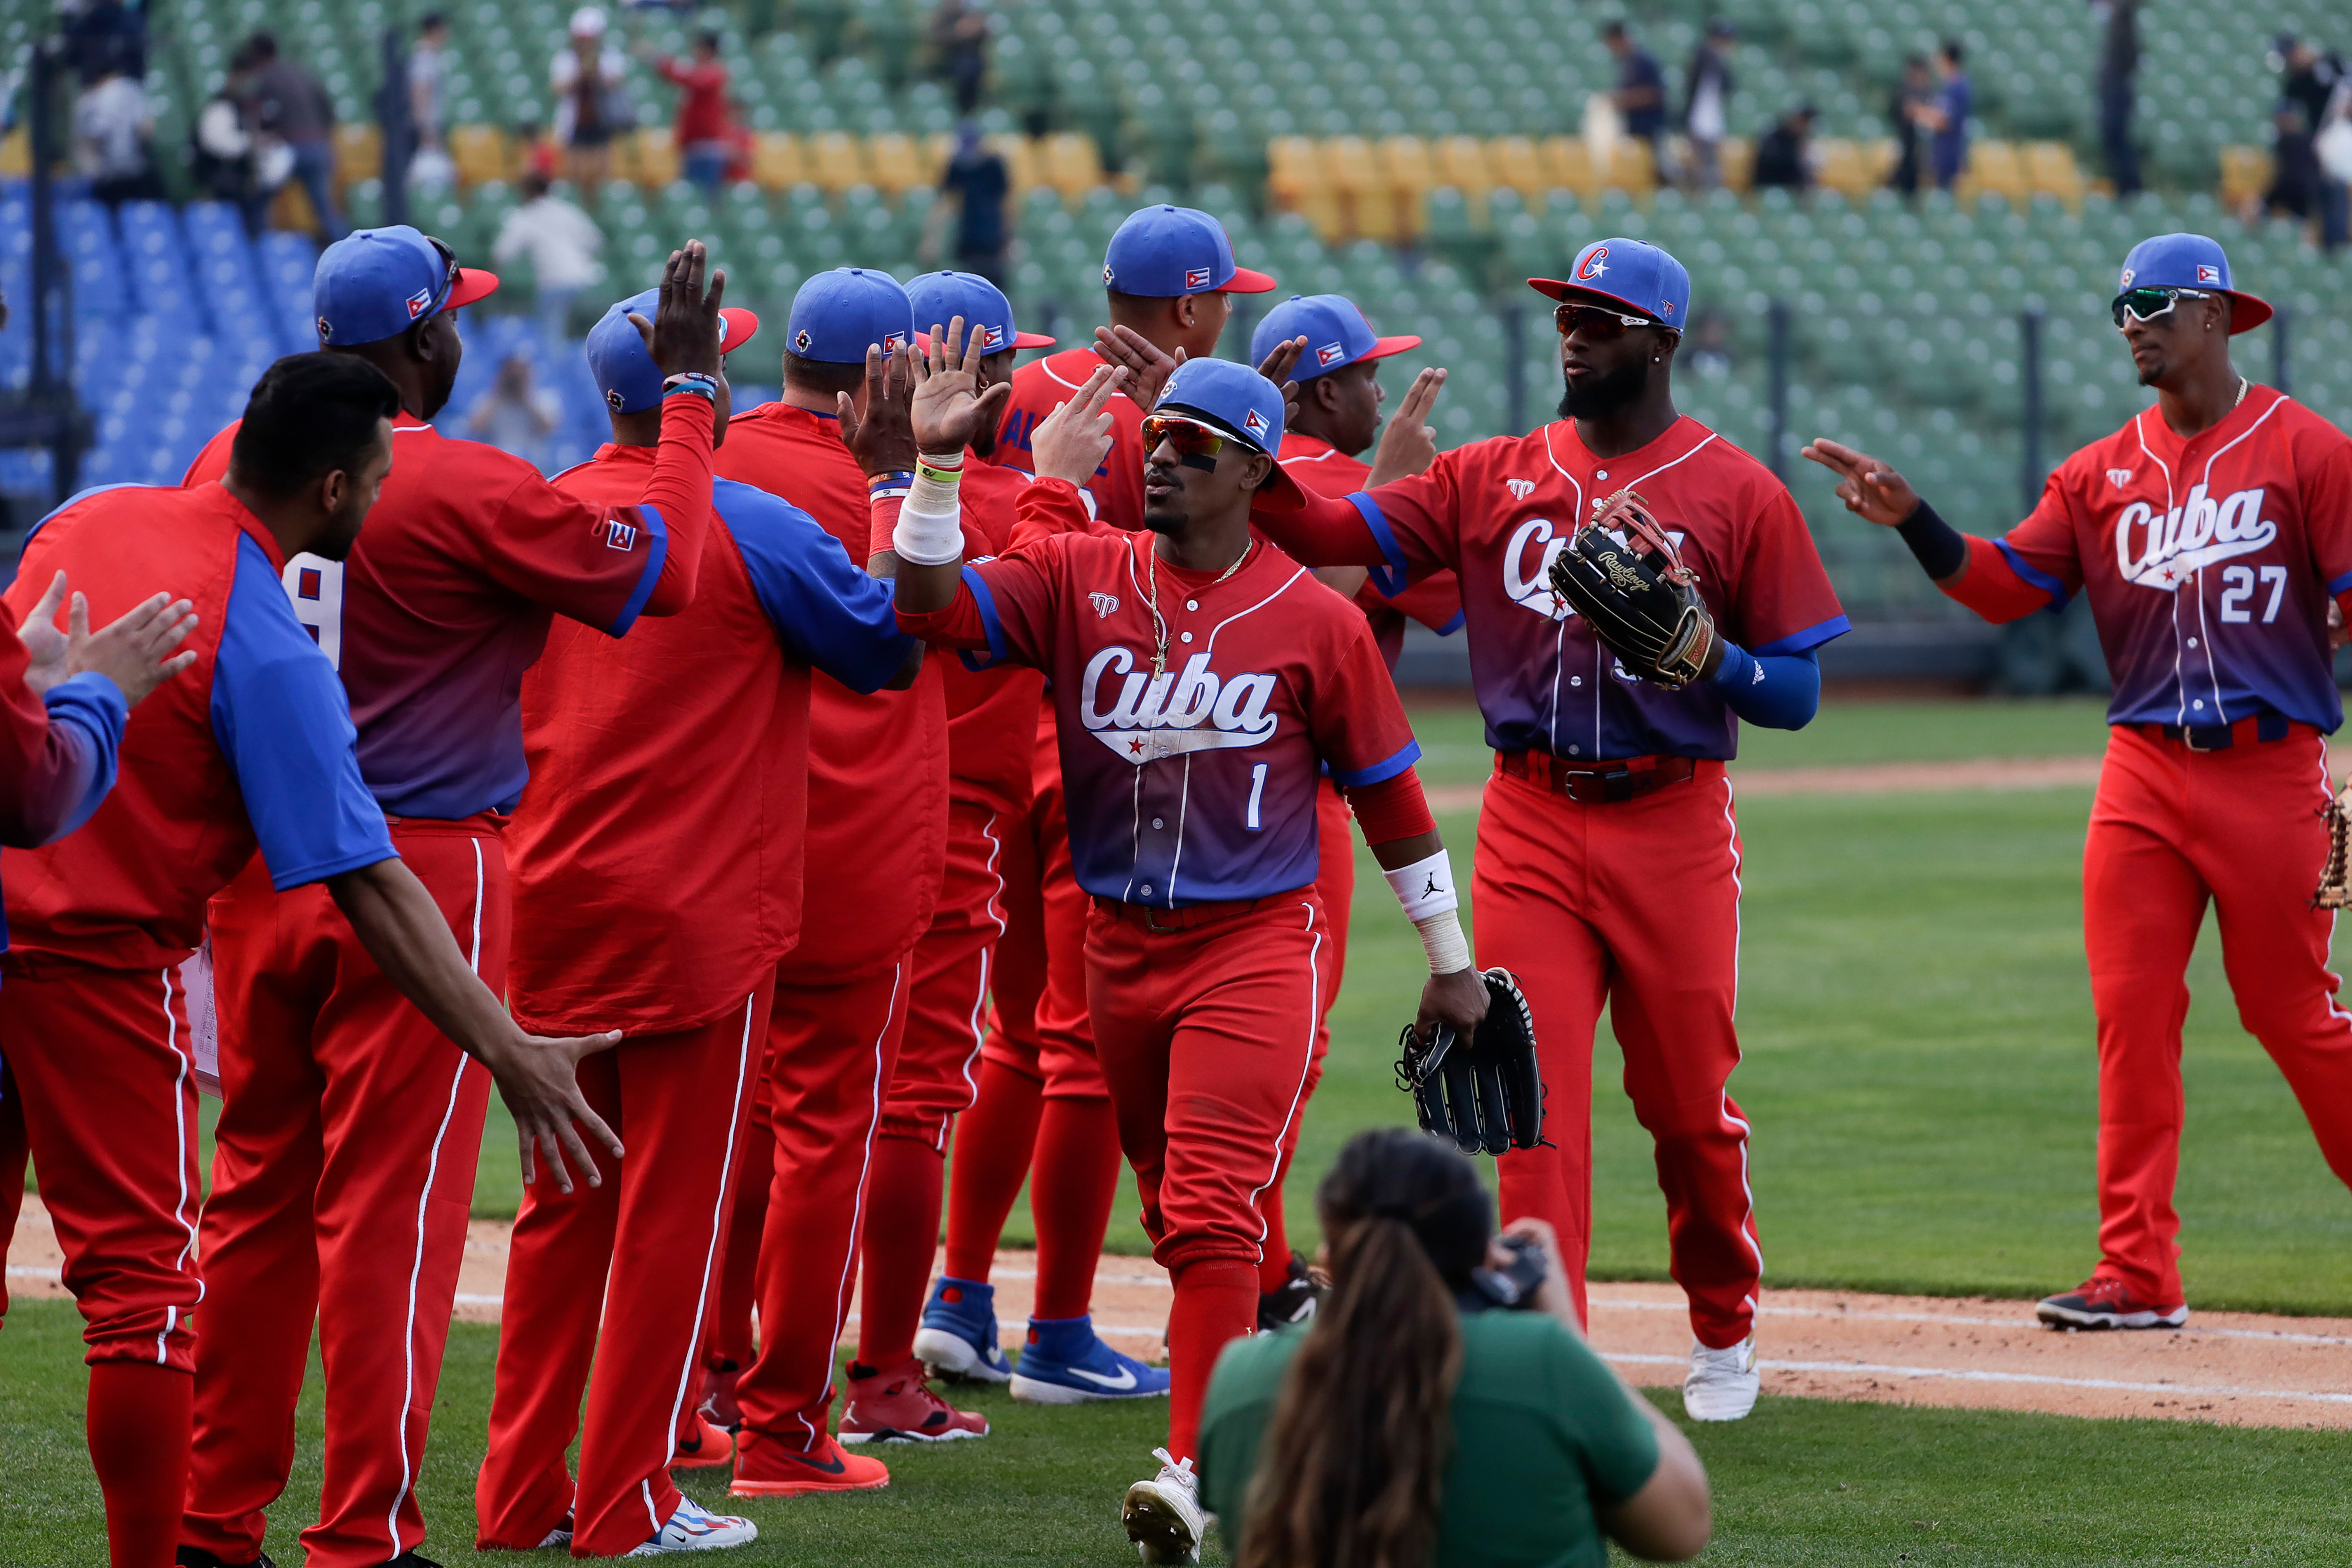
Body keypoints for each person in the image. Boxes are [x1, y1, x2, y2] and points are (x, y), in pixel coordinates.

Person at [1204, 238, 1851, 1424]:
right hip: (1528, 818)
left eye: (1600, 320)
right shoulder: (1488, 474)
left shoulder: (1735, 488)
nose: (1574, 334)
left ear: (1657, 340)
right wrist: (1229, 432)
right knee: (1525, 1105)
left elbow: (1799, 692)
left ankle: (1723, 1324)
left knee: (1687, 1106)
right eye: (1566, 314)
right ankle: (1554, 1363)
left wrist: (1714, 657)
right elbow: (1326, 534)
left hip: (1674, 818)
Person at [4, 352, 625, 1568]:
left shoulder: (92, 514)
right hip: (90, 965)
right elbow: (370, 880)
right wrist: (511, 1049)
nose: (390, 495)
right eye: (383, 476)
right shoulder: (265, 639)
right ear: (334, 488)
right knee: (140, 1296)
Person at [173, 236, 726, 1568]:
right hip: (419, 867)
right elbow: (673, 570)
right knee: (392, 1211)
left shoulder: (219, 464)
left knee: (253, 1196)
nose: (462, 341)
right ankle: (362, 1531)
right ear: (421, 346)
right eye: (455, 322)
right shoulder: (469, 480)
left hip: (256, 870)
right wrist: (695, 396)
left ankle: (211, 1516)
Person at [893, 348, 1490, 1564]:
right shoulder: (1075, 571)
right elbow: (928, 605)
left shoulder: (1318, 621)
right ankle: (1294, 1356)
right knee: (1180, 1208)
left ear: (1255, 470)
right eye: (1157, 437)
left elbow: (1391, 798)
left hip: (1254, 941)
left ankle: (1198, 1469)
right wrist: (939, 463)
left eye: (1194, 444)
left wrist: (1450, 955)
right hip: (1116, 947)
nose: (1161, 456)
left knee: (1211, 1204)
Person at [1803, 233, 2352, 1334]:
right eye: (2119, 308)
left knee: (2292, 1015)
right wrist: (1915, 520)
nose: (2131, 323)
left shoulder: (2308, 451)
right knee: (2130, 1017)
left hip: (2270, 771)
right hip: (2142, 772)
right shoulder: (2097, 473)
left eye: (2151, 302)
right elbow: (2004, 588)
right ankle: (2136, 1271)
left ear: (2215, 315)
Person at [476, 288, 915, 1557]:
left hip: (548, 903)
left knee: (564, 1210)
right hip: (697, 921)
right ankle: (624, 1506)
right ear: (692, 394)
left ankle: (519, 1499)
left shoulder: (540, 508)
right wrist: (893, 484)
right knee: (673, 1215)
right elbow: (888, 647)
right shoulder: (753, 522)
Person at [910, 208, 1277, 1401]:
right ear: (1185, 306)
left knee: (1009, 1040)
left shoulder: (1032, 380)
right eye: (1220, 296)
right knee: (1075, 1049)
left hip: (974, 741)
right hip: (1091, 748)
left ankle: (960, 1296)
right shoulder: (1170, 419)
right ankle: (1060, 1330)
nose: (1226, 313)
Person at [705, 268, 948, 1500]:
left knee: (723, 1123)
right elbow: (946, 616)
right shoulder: (912, 483)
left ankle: (696, 1388)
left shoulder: (705, 459)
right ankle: (783, 1428)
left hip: (716, 847)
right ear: (884, 376)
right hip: (847, 856)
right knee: (821, 1138)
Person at [843, 270, 1076, 1439]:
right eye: (1000, 365)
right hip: (941, 824)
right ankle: (881, 1373)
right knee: (912, 1103)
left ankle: (725, 1372)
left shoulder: (771, 472)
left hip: (796, 820)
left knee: (784, 1101)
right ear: (964, 371)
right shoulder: (1002, 497)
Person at [1198, 1128, 1713, 1568]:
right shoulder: (1544, 1362)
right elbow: (1681, 1528)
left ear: (1330, 1261)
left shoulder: (1239, 1376)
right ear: (1486, 1256)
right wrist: (1566, 1332)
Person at [1248, 290, 1462, 1328]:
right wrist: (1399, 487)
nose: (1382, 390)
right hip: (1303, 803)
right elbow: (1403, 605)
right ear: (1322, 387)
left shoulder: (1231, 476)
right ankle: (1255, 1275)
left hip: (1200, 795)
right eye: (1368, 374)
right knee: (1282, 1046)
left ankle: (1249, 1268)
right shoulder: (1354, 487)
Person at [241, 32, 347, 240]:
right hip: (319, 147)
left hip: (289, 149)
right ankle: (346, 252)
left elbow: (259, 118)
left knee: (258, 201)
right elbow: (328, 110)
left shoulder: (264, 78)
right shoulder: (302, 72)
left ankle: (262, 251)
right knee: (326, 210)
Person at [492, 169, 606, 345]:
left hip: (554, 284)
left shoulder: (526, 215)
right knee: (582, 338)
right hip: (584, 280)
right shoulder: (567, 210)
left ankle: (558, 369)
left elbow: (503, 252)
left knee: (553, 339)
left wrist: (494, 273)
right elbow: (595, 240)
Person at [2280, 34, 2351, 251]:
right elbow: (2291, 119)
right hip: (2324, 138)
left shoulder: (2331, 63)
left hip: (2340, 131)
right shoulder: (2295, 83)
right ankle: (2328, 236)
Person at [643, 29, 733, 190]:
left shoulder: (714, 72)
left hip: (708, 145)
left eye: (698, 48)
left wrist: (660, 61)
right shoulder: (699, 69)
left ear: (708, 51)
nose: (694, 52)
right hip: (692, 145)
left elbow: (693, 80)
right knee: (691, 193)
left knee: (705, 194)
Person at [553, 6, 628, 200]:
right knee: (576, 174)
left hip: (601, 121)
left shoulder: (610, 57)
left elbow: (615, 83)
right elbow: (559, 89)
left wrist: (595, 70)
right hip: (576, 123)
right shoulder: (566, 59)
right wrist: (581, 73)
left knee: (602, 174)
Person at [72, 54, 165, 206]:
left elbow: (89, 139)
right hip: (135, 170)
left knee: (109, 219)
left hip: (107, 174)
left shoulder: (88, 100)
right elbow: (146, 128)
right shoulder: (132, 90)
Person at [927, 120, 1011, 285]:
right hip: (967, 236)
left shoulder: (994, 166)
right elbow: (945, 202)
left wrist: (1009, 240)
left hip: (993, 238)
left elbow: (1007, 204)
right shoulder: (957, 166)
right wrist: (932, 239)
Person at [465, 352, 563, 470]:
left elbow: (548, 428)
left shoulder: (543, 399)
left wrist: (525, 395)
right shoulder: (489, 400)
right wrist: (498, 393)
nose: (515, 378)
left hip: (533, 464)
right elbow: (475, 428)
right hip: (499, 462)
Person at [191, 48, 258, 208]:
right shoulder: (221, 105)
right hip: (223, 179)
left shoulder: (248, 104)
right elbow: (215, 142)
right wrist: (249, 143)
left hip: (246, 181)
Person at [1604, 21, 1669, 180]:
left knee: (1661, 173)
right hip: (1635, 128)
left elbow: (1653, 94)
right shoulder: (1627, 62)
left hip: (1651, 127)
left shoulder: (1644, 60)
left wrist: (1622, 101)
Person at [1681, 19, 1734, 192]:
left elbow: (1729, 87)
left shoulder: (1714, 61)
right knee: (1700, 166)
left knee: (1709, 167)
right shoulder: (1706, 55)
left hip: (1708, 122)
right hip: (1700, 122)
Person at [1912, 39, 1971, 192]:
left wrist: (1921, 114)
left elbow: (1946, 122)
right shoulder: (1949, 85)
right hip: (1942, 149)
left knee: (1946, 194)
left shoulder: (1958, 87)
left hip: (1950, 151)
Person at [2095, 0, 2141, 198]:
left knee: (2117, 139)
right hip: (2115, 92)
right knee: (2116, 140)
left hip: (2117, 93)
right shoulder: (2121, 28)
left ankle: (2128, 187)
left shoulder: (2123, 27)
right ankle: (2126, 186)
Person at [407, 12, 454, 191]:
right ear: (435, 30)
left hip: (430, 126)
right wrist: (426, 130)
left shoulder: (432, 56)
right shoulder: (424, 56)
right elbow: (420, 93)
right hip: (425, 130)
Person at [929, 0, 990, 118]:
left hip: (976, 60)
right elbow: (935, 39)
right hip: (948, 60)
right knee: (966, 68)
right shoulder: (942, 16)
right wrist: (959, 32)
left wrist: (977, 30)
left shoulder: (972, 13)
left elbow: (987, 35)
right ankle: (964, 110)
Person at [1887, 54, 1932, 196]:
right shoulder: (1902, 91)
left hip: (1920, 147)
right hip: (1904, 142)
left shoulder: (1927, 91)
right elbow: (1906, 112)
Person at [1751, 103, 1816, 191]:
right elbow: (1772, 165)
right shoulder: (1773, 136)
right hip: (1770, 187)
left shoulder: (1800, 140)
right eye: (1803, 121)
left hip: (1793, 190)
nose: (1805, 125)